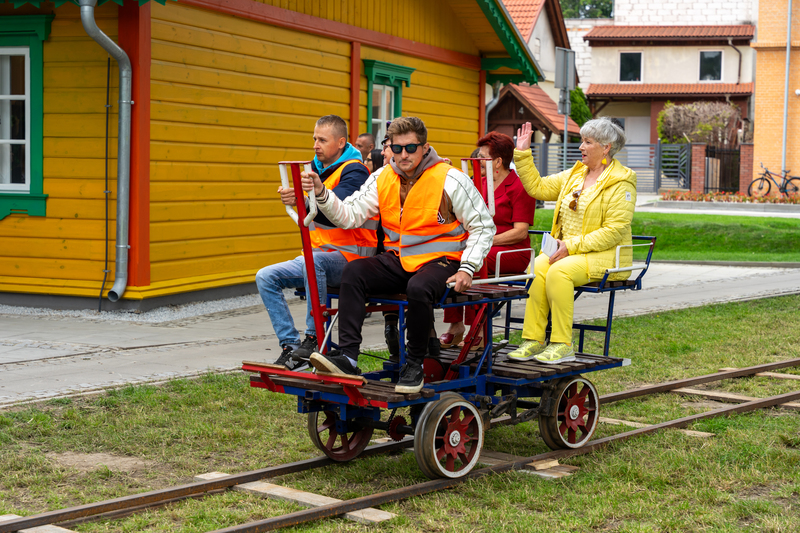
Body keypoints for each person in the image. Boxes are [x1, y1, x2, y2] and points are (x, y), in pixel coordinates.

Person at [301, 116, 495, 393]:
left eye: (411, 148)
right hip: (400, 259)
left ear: (425, 148)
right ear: (389, 147)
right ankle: (347, 357)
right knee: (354, 271)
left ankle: (415, 363)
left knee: (418, 287)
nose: (404, 155)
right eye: (397, 147)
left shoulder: (451, 179)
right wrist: (321, 193)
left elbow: (483, 226)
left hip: (442, 261)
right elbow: (349, 215)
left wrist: (467, 268)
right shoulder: (382, 177)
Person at [508, 118, 636, 364]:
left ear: (606, 147)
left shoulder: (622, 181)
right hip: (569, 251)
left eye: (587, 142)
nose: (581, 147)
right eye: (582, 141)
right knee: (536, 268)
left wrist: (571, 246)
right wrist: (523, 153)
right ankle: (534, 339)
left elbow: (615, 230)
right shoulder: (575, 174)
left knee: (559, 273)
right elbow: (539, 188)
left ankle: (562, 344)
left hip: (605, 255)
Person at [255, 115, 376, 371]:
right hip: (318, 254)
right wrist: (294, 198)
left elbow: (336, 213)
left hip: (351, 256)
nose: (315, 145)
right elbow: (309, 212)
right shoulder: (315, 170)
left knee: (316, 263)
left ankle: (313, 339)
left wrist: (305, 200)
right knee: (265, 276)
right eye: (314, 139)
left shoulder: (355, 171)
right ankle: (290, 347)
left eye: (322, 140)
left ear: (341, 142)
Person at [439, 132, 537, 350]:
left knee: (472, 261)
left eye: (482, 157)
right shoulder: (477, 183)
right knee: (451, 259)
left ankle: (479, 330)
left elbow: (520, 232)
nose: (477, 162)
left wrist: (484, 242)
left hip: (511, 251)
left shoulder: (519, 187)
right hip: (485, 248)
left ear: (498, 162)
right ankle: (455, 326)